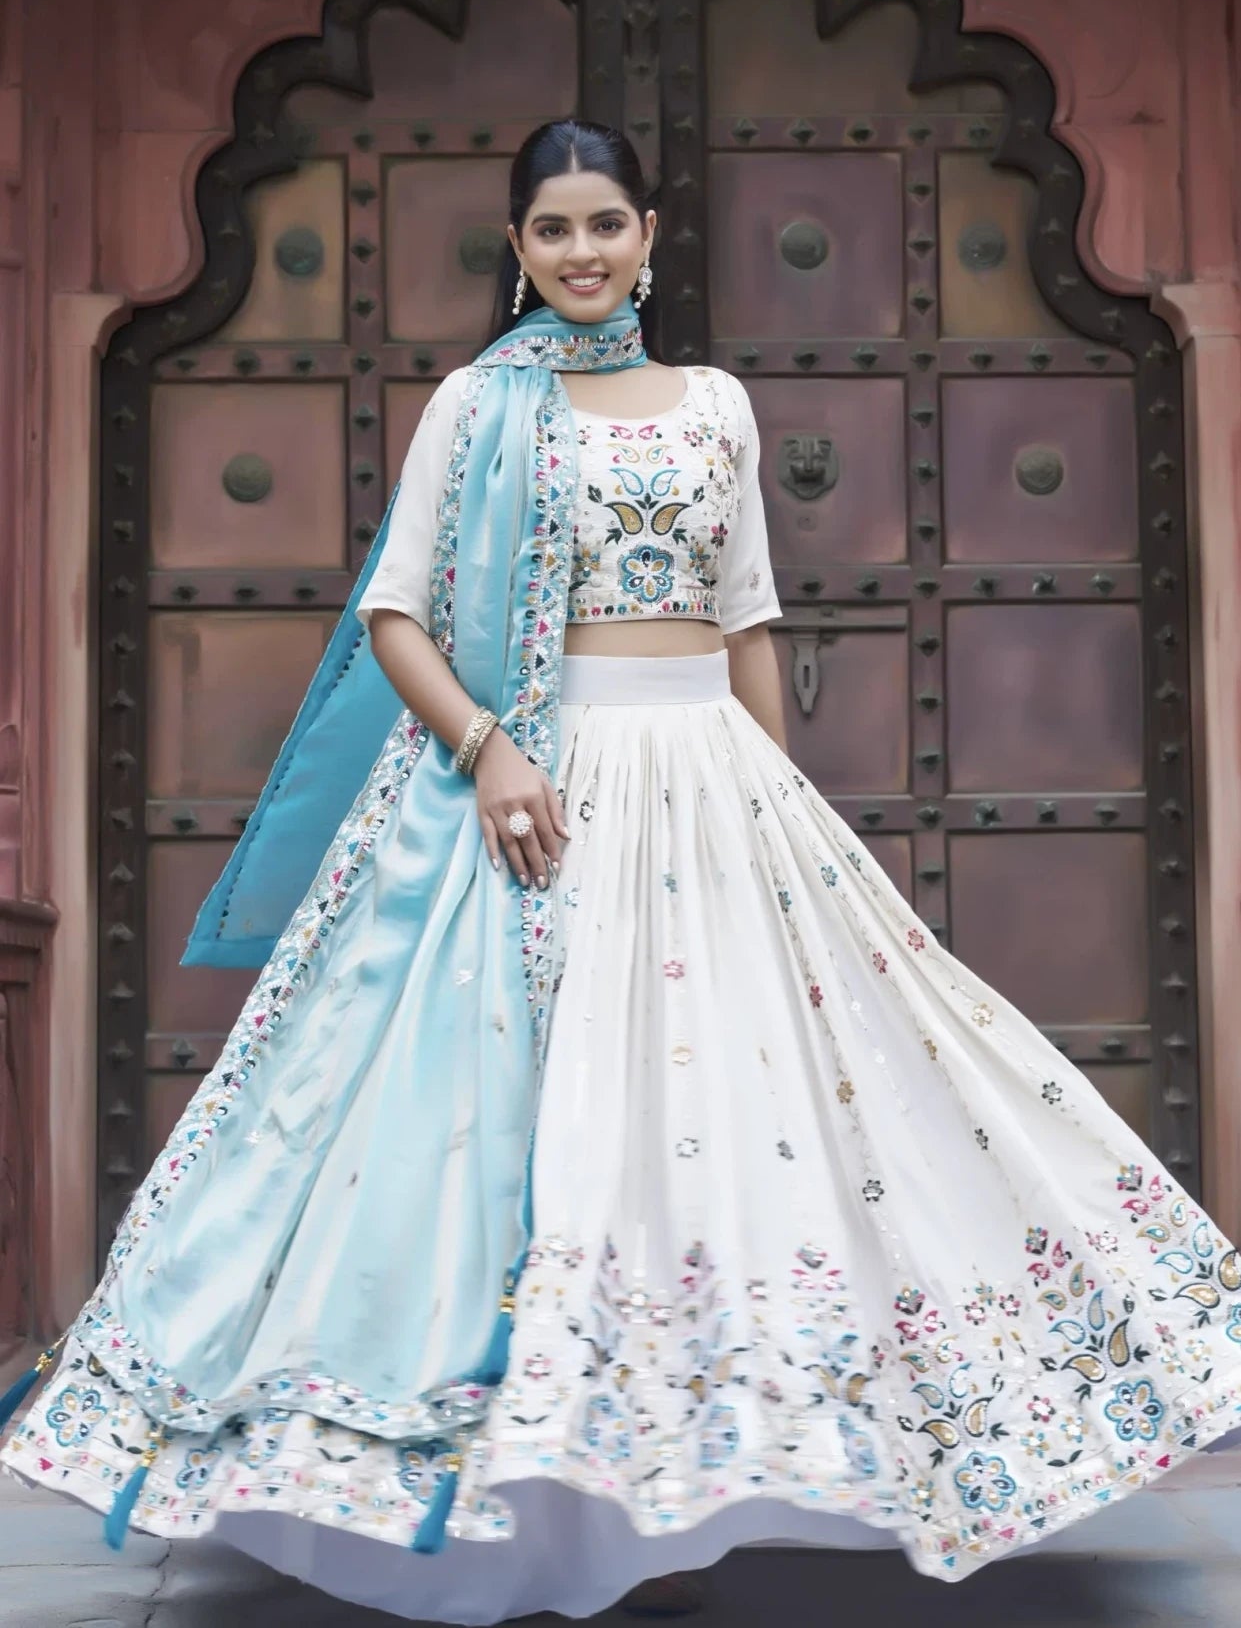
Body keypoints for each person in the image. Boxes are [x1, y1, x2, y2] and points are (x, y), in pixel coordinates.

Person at [3, 116, 1241, 1627]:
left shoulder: (716, 404)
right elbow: (397, 615)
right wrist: (489, 753)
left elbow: (747, 617)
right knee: (561, 1123)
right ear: (517, 248)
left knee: (725, 1122)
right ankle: (537, 1514)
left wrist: (780, 805)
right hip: (535, 790)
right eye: (553, 228)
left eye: (605, 223)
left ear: (649, 236)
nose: (581, 251)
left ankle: (677, 1495)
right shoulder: (479, 403)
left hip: (709, 784)